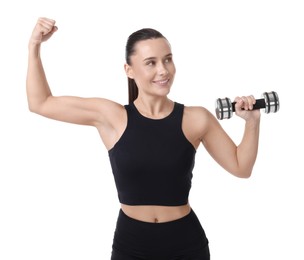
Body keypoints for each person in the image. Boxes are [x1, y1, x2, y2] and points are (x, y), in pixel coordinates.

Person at [26, 17, 261, 260]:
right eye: (151, 63)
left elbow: (241, 167)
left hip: (186, 245)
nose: (163, 70)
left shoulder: (196, 119)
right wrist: (34, 45)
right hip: (132, 245)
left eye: (168, 59)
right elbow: (40, 103)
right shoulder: (111, 117)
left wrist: (252, 122)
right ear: (129, 70)